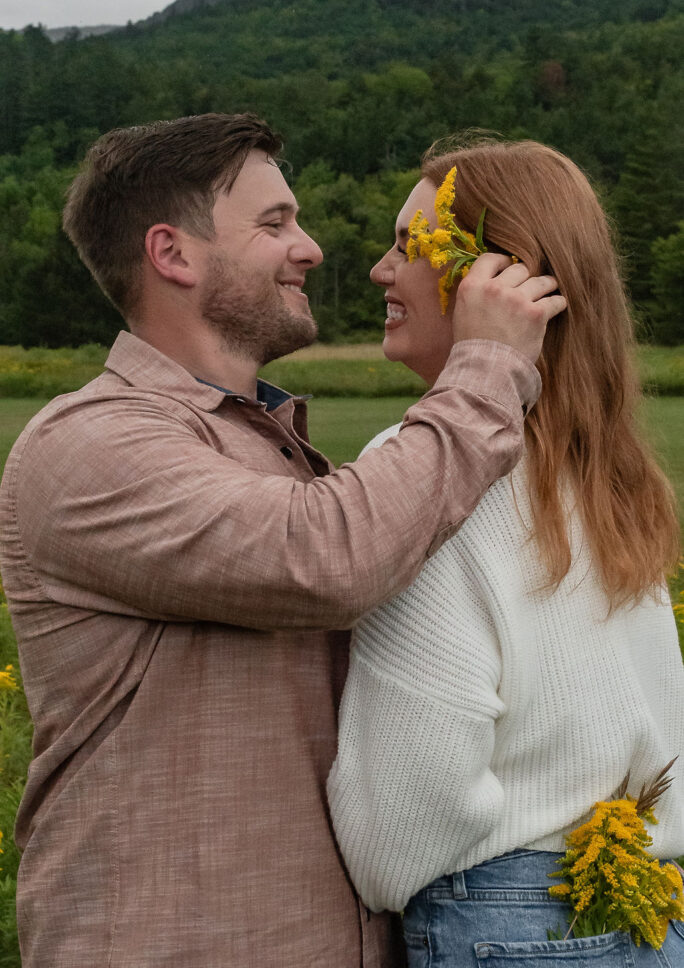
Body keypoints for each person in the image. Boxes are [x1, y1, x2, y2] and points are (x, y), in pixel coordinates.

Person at [0, 114, 566, 968]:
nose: (312, 250)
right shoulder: (88, 444)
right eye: (274, 224)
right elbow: (325, 559)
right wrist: (487, 368)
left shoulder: (269, 445)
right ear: (173, 254)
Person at [327, 137, 684, 966]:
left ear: (498, 280)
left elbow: (408, 812)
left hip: (503, 923)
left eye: (408, 245)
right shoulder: (612, 477)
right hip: (647, 914)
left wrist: (376, 871)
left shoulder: (425, 476)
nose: (381, 270)